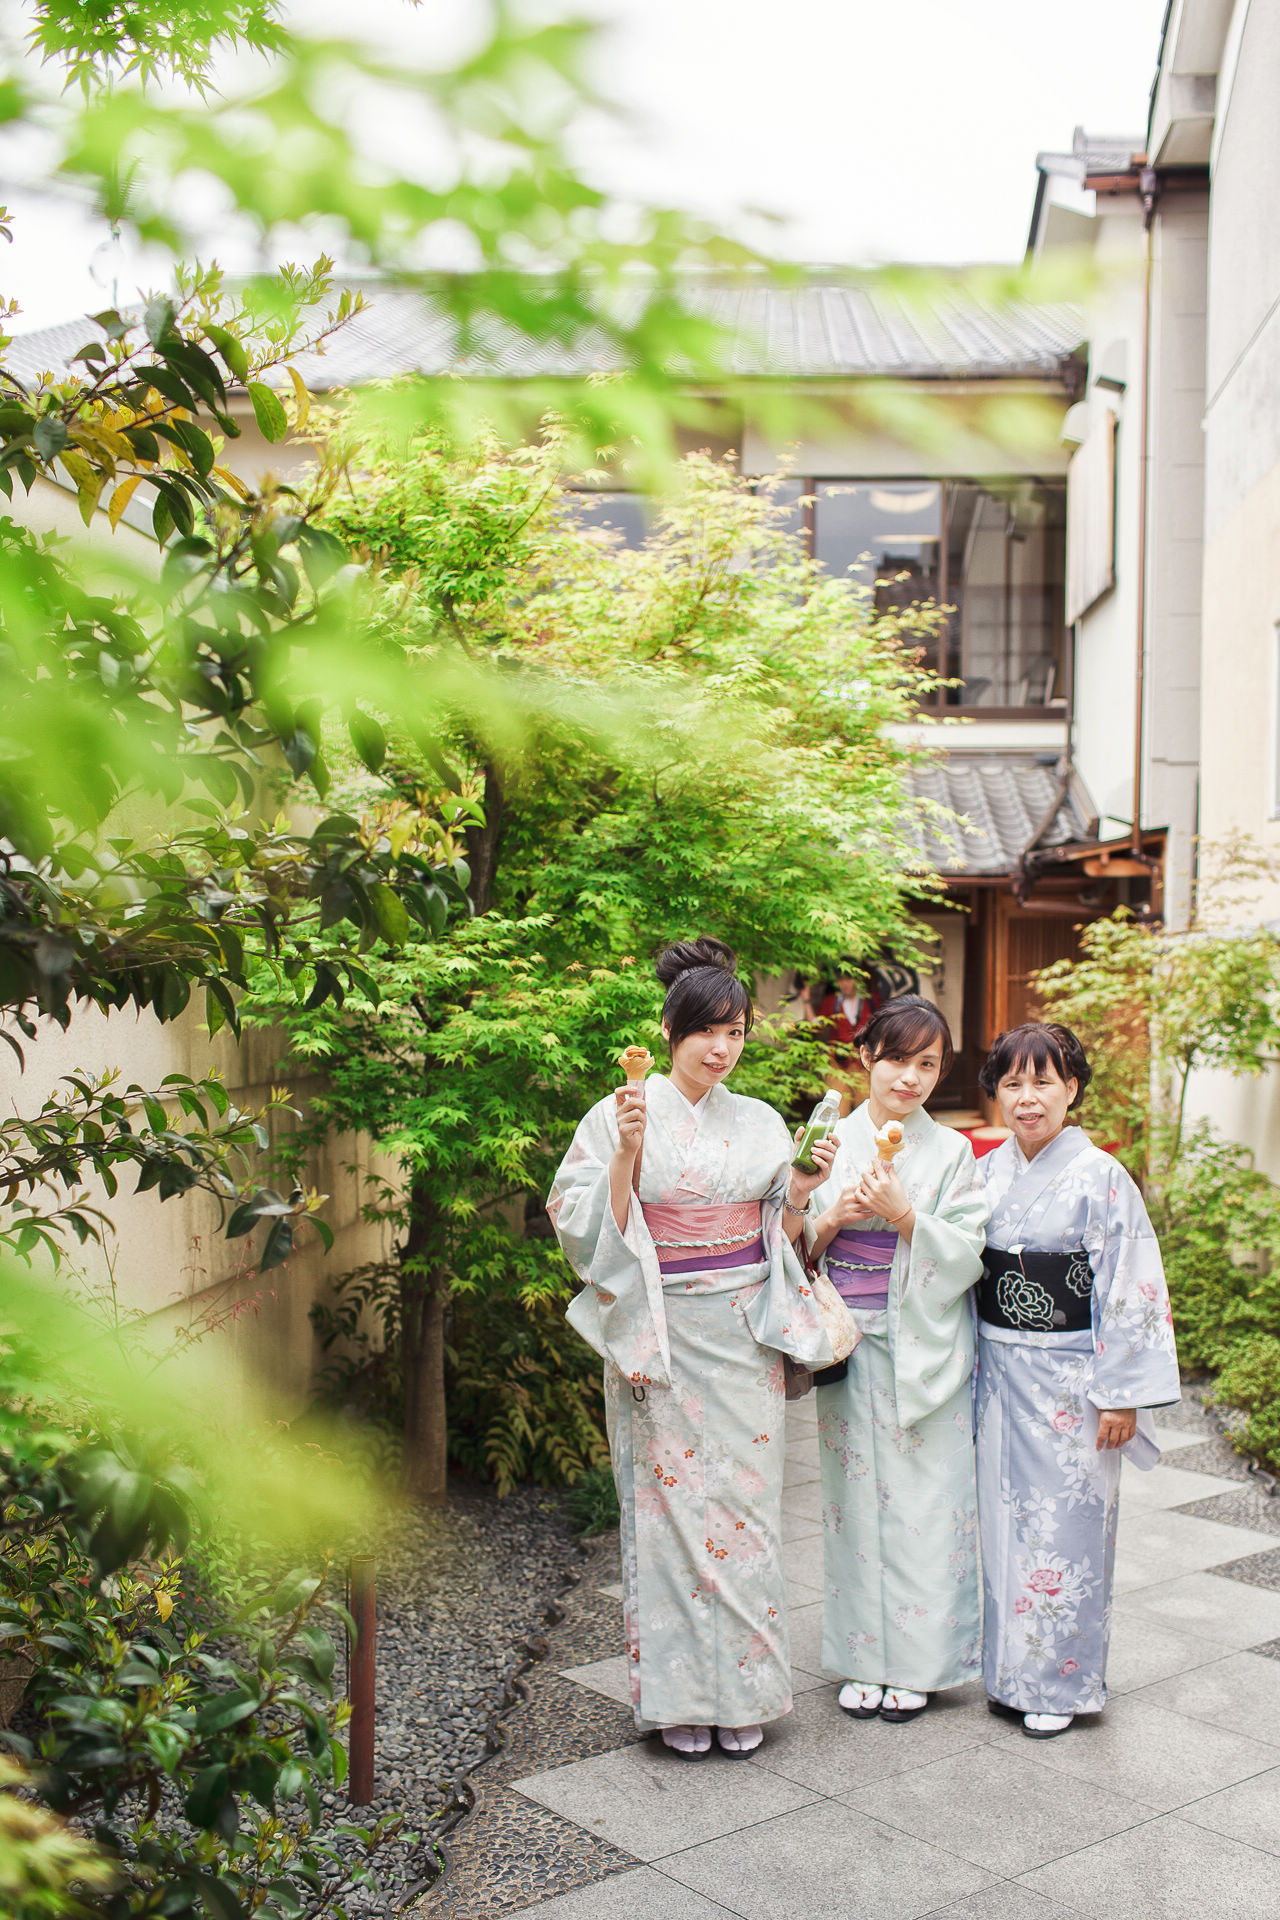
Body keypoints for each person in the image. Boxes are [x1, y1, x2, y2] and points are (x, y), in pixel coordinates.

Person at [547, 938, 855, 1761]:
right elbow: (586, 1231)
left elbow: (777, 1235)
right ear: (672, 1029)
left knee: (748, 1515)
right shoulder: (623, 1109)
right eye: (707, 1032)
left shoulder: (756, 1121)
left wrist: (800, 1187)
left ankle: (746, 1690)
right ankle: (681, 1696)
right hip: (662, 1334)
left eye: (737, 1033)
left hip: (744, 1331)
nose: (722, 1049)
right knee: (670, 1515)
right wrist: (624, 1153)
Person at [975, 1022, 1180, 1738]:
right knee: (1004, 1525)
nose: (1028, 1098)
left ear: (1073, 1089)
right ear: (996, 1092)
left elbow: (1129, 1283)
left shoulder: (1101, 1177)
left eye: (1044, 1081)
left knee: (1066, 1530)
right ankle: (1007, 1674)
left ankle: (1059, 1685)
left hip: (1070, 1381)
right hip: (997, 1374)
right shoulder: (986, 1172)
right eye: (1013, 1083)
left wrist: (1120, 1390)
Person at [808, 995, 988, 1722]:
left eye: (928, 1065)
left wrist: (907, 1216)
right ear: (865, 1059)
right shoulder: (826, 1139)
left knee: (926, 1506)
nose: (909, 1078)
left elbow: (970, 1252)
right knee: (853, 1504)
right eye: (896, 1060)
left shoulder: (951, 1153)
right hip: (848, 1336)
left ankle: (919, 1663)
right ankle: (862, 1658)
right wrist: (829, 1219)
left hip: (924, 1344)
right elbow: (782, 1246)